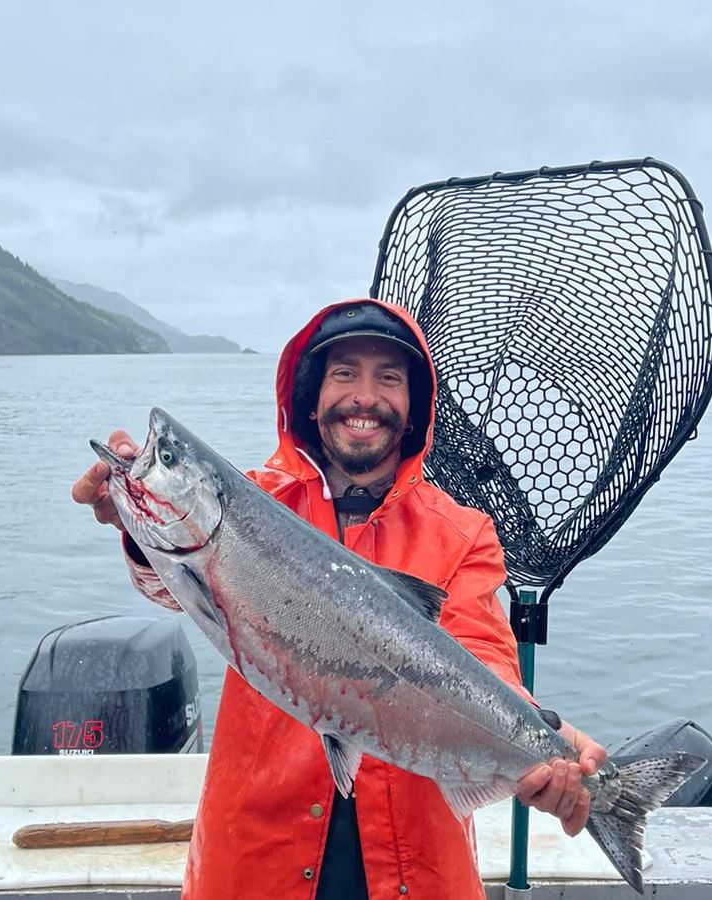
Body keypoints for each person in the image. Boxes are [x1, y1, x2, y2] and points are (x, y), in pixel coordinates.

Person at [72, 298, 606, 899]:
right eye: (344, 373)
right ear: (313, 396)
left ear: (413, 408)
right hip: (255, 859)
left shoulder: (462, 532)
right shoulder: (256, 505)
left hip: (417, 869)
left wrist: (543, 737)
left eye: (389, 378)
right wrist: (136, 527)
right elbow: (173, 591)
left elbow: (482, 655)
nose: (365, 396)